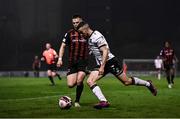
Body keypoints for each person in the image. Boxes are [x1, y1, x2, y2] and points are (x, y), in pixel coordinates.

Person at [77, 21, 157, 109]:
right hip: (102, 64)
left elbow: (105, 51)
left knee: (127, 82)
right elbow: (98, 50)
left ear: (86, 29)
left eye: (81, 32)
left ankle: (148, 84)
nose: (81, 35)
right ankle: (104, 101)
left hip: (110, 62)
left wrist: (102, 67)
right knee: (90, 81)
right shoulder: (90, 38)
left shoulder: (96, 36)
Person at [57, 15, 88, 107]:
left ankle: (77, 101)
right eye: (73, 23)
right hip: (72, 61)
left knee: (79, 80)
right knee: (70, 85)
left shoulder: (86, 33)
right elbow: (62, 46)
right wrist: (60, 59)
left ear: (81, 22)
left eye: (77, 22)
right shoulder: (69, 33)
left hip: (83, 60)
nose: (75, 24)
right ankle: (83, 74)